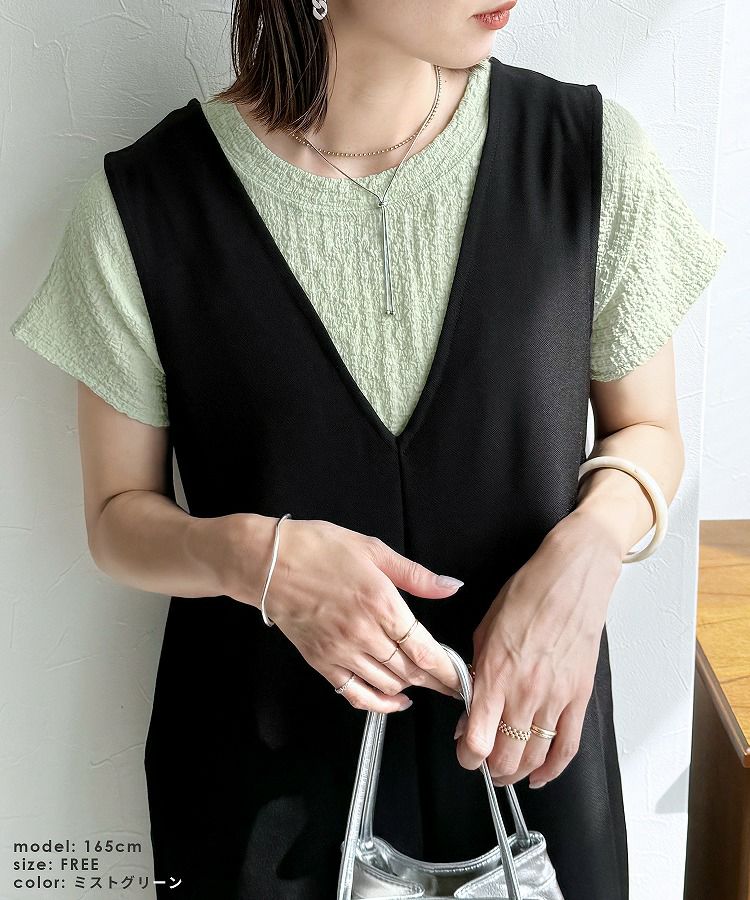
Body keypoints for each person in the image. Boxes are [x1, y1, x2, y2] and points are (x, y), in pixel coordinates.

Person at [8, 1, 727, 898]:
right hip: (264, 804)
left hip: (535, 762)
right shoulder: (143, 206)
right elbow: (118, 518)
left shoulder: (583, 154)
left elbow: (647, 430)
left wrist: (585, 560)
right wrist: (263, 559)